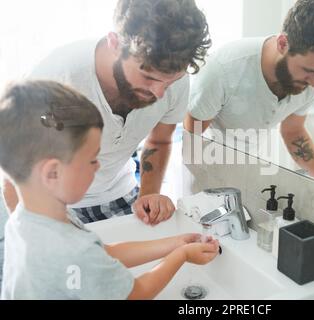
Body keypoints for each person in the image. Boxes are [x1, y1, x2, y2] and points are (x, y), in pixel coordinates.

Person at [0, 80, 219, 299]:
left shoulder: (27, 220)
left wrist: (174, 243)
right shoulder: (72, 249)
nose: (98, 166)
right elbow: (136, 294)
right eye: (91, 159)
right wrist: (180, 256)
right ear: (53, 173)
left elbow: (104, 254)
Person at [1, 0, 211, 225]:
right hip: (49, 201)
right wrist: (29, 232)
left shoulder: (173, 77)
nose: (160, 93)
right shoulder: (55, 77)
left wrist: (149, 194)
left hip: (118, 192)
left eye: (171, 82)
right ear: (114, 44)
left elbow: (159, 140)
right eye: (148, 77)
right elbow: (13, 167)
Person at [184, 0, 314, 184]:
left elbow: (293, 131)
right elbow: (191, 136)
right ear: (283, 43)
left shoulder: (310, 81)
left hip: (256, 168)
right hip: (208, 170)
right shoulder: (222, 70)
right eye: (309, 70)